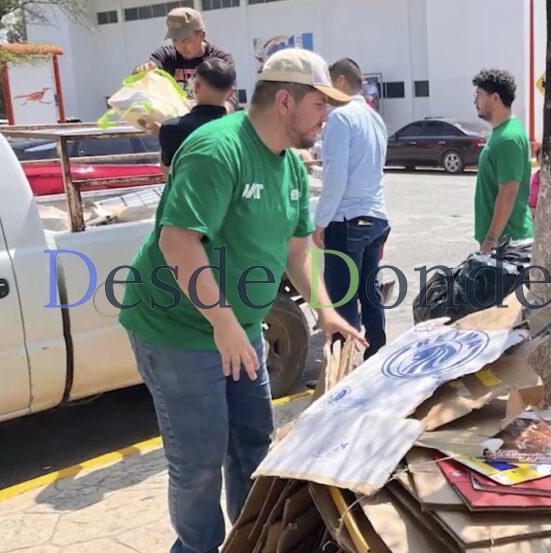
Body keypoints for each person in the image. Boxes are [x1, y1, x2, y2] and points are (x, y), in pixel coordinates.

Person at [118, 49, 364, 553]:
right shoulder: (217, 150)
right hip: (177, 329)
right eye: (320, 105)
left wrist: (327, 311)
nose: (327, 117)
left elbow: (299, 251)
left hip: (238, 327)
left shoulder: (290, 169)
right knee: (200, 461)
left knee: (253, 444)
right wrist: (224, 323)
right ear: (284, 101)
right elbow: (177, 243)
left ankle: (249, 542)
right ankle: (196, 548)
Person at [312, 58, 391, 358]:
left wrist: (321, 221)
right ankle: (377, 359)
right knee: (371, 297)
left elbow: (336, 176)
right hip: (375, 219)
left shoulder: (340, 117)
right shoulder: (374, 118)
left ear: (341, 82)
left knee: (343, 300)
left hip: (347, 220)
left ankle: (343, 371)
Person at [472, 68, 533, 252]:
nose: (475, 101)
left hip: (507, 243)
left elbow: (508, 192)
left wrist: (491, 239)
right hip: (503, 241)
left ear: (495, 98)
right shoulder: (503, 131)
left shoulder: (508, 138)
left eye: (479, 95)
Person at [134, 8, 235, 103]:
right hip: (176, 118)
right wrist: (142, 70)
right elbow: (142, 74)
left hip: (209, 119)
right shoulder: (166, 55)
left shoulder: (220, 59)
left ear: (202, 35)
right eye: (175, 40)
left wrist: (223, 112)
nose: (180, 47)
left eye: (186, 40)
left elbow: (231, 97)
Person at [158, 58, 236, 167]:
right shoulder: (240, 130)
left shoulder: (171, 127)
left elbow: (168, 169)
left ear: (196, 87)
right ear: (231, 94)